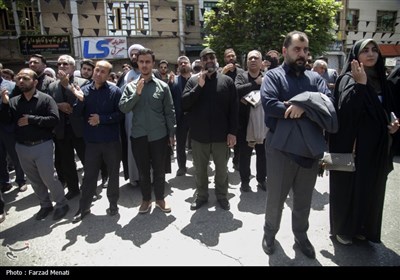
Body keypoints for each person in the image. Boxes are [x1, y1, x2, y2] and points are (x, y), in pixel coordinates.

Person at [260, 31, 337, 259]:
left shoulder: (315, 79)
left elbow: (329, 105)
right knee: (276, 198)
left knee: (303, 200)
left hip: (309, 150)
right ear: (285, 51)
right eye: (297, 49)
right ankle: (269, 233)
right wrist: (312, 105)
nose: (302, 54)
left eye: (305, 50)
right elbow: (271, 105)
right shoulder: (273, 76)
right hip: (280, 150)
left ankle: (300, 236)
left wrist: (302, 107)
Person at [329, 38, 399, 245]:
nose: (370, 54)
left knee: (370, 189)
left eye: (374, 50)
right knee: (349, 188)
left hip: (376, 149)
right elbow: (346, 113)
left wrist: (392, 123)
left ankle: (363, 228)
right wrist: (360, 85)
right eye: (365, 51)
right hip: (354, 147)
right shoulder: (348, 78)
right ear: (356, 56)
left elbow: (387, 110)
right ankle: (343, 229)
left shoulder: (382, 81)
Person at [0, 68, 69, 221]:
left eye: (25, 78)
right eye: (19, 78)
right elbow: (6, 121)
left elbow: (54, 119)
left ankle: (61, 204)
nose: (21, 81)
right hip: (22, 147)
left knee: (49, 178)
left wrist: (31, 119)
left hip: (42, 145)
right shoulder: (13, 101)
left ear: (35, 82)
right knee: (34, 180)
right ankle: (45, 205)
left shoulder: (45, 99)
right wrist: (4, 104)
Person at [119, 48, 176, 214]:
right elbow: (123, 108)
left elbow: (169, 112)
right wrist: (137, 93)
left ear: (153, 64)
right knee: (143, 171)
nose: (144, 65)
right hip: (139, 136)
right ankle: (145, 200)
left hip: (159, 136)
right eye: (141, 62)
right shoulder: (130, 87)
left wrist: (171, 134)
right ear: (137, 63)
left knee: (159, 170)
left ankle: (160, 199)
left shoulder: (163, 87)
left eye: (147, 62)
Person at [182, 47, 238, 211]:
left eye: (211, 57)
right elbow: (184, 104)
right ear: (200, 62)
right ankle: (201, 196)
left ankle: (222, 196)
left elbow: (234, 110)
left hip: (221, 136)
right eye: (205, 58)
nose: (208, 61)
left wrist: (233, 132)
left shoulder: (226, 81)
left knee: (222, 170)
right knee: (200, 171)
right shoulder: (193, 81)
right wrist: (199, 86)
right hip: (199, 136)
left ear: (216, 59)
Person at [71, 60, 123, 222]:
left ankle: (113, 203)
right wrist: (79, 100)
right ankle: (84, 206)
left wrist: (102, 119)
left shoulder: (115, 91)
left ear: (108, 75)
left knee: (113, 175)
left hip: (111, 142)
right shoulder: (84, 91)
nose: (98, 74)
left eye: (102, 72)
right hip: (92, 143)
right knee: (89, 176)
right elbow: (76, 114)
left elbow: (121, 114)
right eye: (97, 70)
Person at [48, 55, 88, 200]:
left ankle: (89, 187)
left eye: (65, 64)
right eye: (59, 64)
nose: (62, 67)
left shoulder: (83, 82)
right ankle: (73, 189)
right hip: (62, 130)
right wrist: (59, 106)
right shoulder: (52, 86)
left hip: (79, 129)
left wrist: (67, 87)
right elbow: (48, 104)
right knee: (67, 162)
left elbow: (85, 102)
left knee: (87, 160)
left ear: (72, 67)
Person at [235, 50, 267, 192]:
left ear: (261, 62)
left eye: (256, 58)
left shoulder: (268, 78)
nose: (253, 60)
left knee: (262, 155)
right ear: (246, 62)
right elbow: (237, 91)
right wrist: (255, 83)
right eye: (250, 58)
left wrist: (246, 97)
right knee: (245, 156)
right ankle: (245, 181)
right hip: (245, 124)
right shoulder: (241, 77)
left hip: (263, 124)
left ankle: (261, 179)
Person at [170, 56, 192, 177]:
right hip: (180, 118)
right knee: (181, 144)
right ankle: (181, 167)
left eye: (185, 62)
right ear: (178, 66)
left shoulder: (197, 79)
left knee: (198, 144)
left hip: (195, 117)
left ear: (190, 64)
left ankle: (199, 166)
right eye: (181, 63)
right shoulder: (174, 81)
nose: (183, 64)